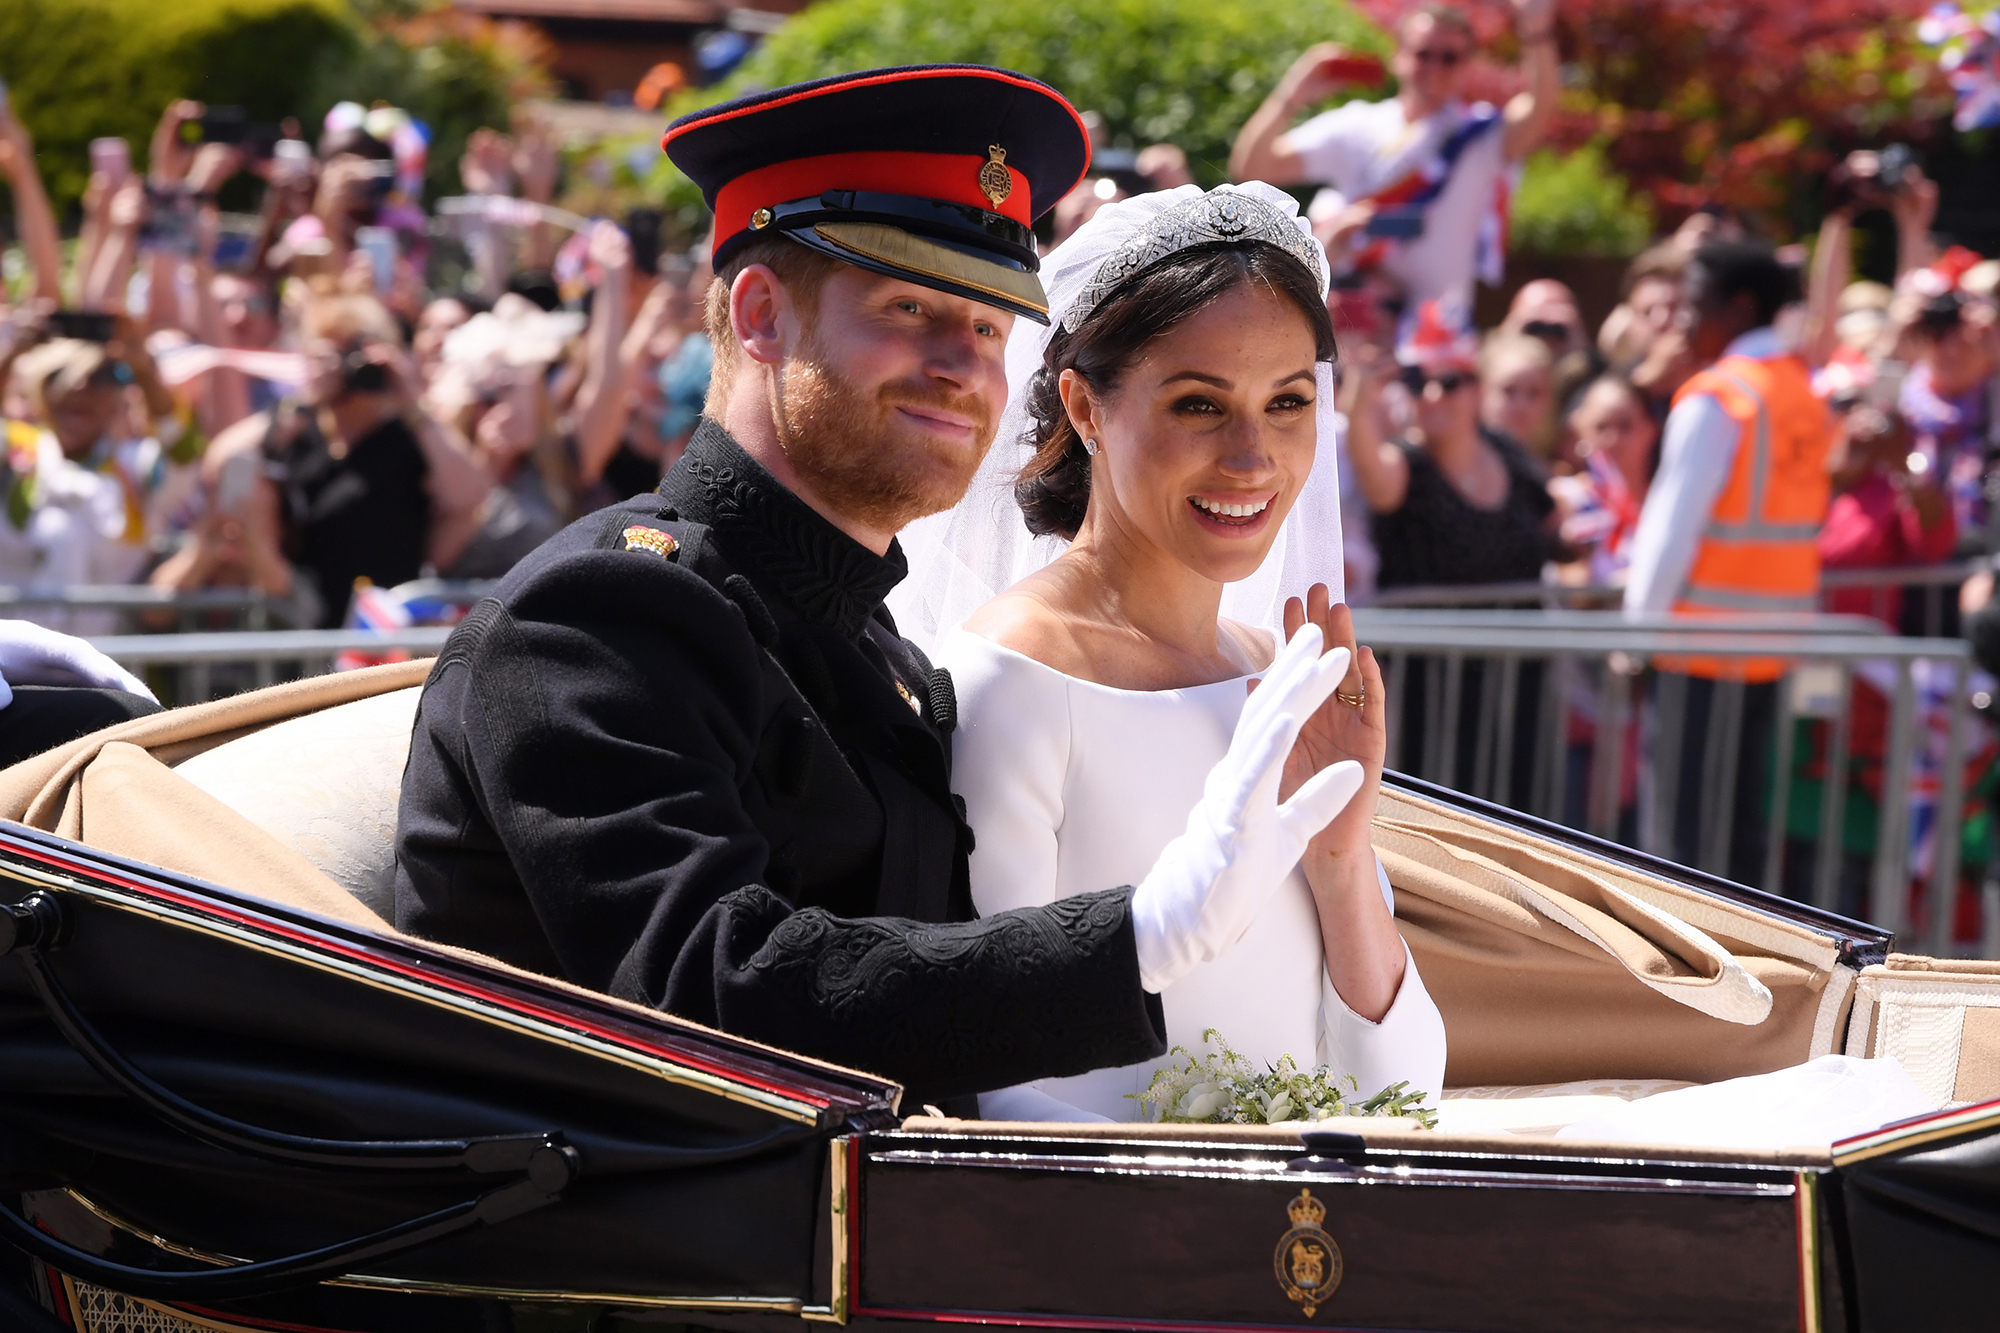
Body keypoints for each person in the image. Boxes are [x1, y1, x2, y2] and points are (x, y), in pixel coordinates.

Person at [394, 68, 1365, 1113]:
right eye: (909, 305)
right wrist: (1143, 934)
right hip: (612, 1258)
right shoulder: (596, 621)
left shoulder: (876, 650)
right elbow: (709, 995)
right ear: (761, 315)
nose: (962, 365)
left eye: (992, 327)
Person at [927, 184, 1444, 1121]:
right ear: (1084, 406)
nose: (1253, 459)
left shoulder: (1280, 672)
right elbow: (994, 1067)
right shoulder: (1010, 680)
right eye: (1201, 405)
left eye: (1287, 402)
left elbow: (1402, 1085)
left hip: (1311, 1225)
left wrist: (1341, 853)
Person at [1623, 241, 1834, 885]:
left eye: (1695, 303)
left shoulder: (1721, 396)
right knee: (1743, 841)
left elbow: (1670, 532)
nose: (1684, 320)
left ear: (1739, 306)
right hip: (1770, 651)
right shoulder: (1800, 388)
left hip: (1696, 650)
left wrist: (1633, 640)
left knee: (1679, 849)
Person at [1229, 0, 1558, 316]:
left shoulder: (1478, 134)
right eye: (1423, 53)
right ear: (1399, 56)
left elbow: (1538, 112)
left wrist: (1536, 30)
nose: (1434, 67)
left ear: (1467, 65)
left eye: (1449, 57)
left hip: (1433, 333)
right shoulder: (1357, 124)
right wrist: (1292, 95)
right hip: (1354, 319)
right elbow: (1252, 168)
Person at [203, 292, 491, 626]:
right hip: (302, 626)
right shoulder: (295, 428)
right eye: (331, 354)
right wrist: (307, 400)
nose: (346, 368)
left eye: (356, 353)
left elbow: (472, 495)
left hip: (382, 634)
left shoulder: (408, 435)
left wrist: (410, 400)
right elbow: (219, 465)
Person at [1346, 302, 1561, 591]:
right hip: (1433, 636)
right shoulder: (1407, 465)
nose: (1433, 395)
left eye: (1449, 382)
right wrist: (1360, 401)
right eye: (1418, 381)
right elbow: (1376, 479)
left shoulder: (1508, 451)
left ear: (1477, 389)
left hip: (1521, 632)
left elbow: (1557, 531)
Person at [1549, 374, 1657, 586]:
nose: (1612, 440)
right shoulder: (1565, 502)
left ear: (1650, 429)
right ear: (1580, 430)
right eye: (1601, 427)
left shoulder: (1671, 501)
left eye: (1625, 426)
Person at [1478, 332, 1557, 463]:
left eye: (1534, 393)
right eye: (1508, 391)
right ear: (1480, 393)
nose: (1521, 406)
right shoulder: (1452, 468)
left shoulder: (1557, 474)